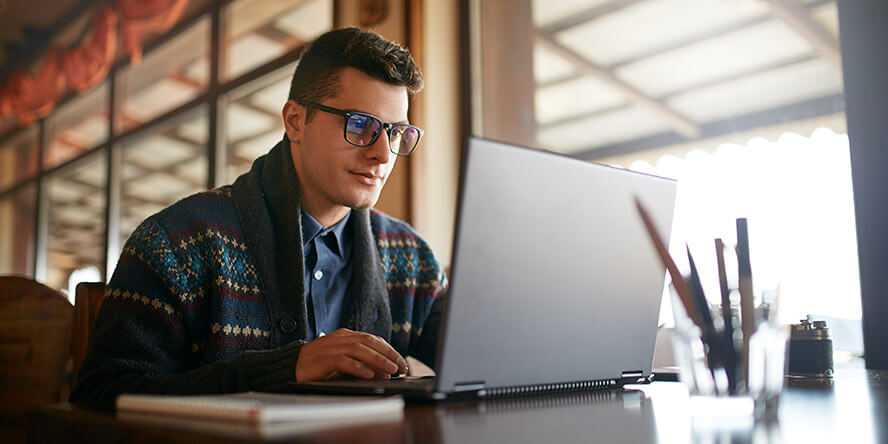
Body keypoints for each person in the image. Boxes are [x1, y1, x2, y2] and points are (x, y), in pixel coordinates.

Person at [71, 27, 446, 411]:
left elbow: (482, 370)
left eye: (395, 132)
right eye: (360, 126)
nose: (383, 154)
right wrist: (287, 367)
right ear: (296, 121)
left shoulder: (411, 259)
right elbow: (100, 397)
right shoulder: (177, 242)